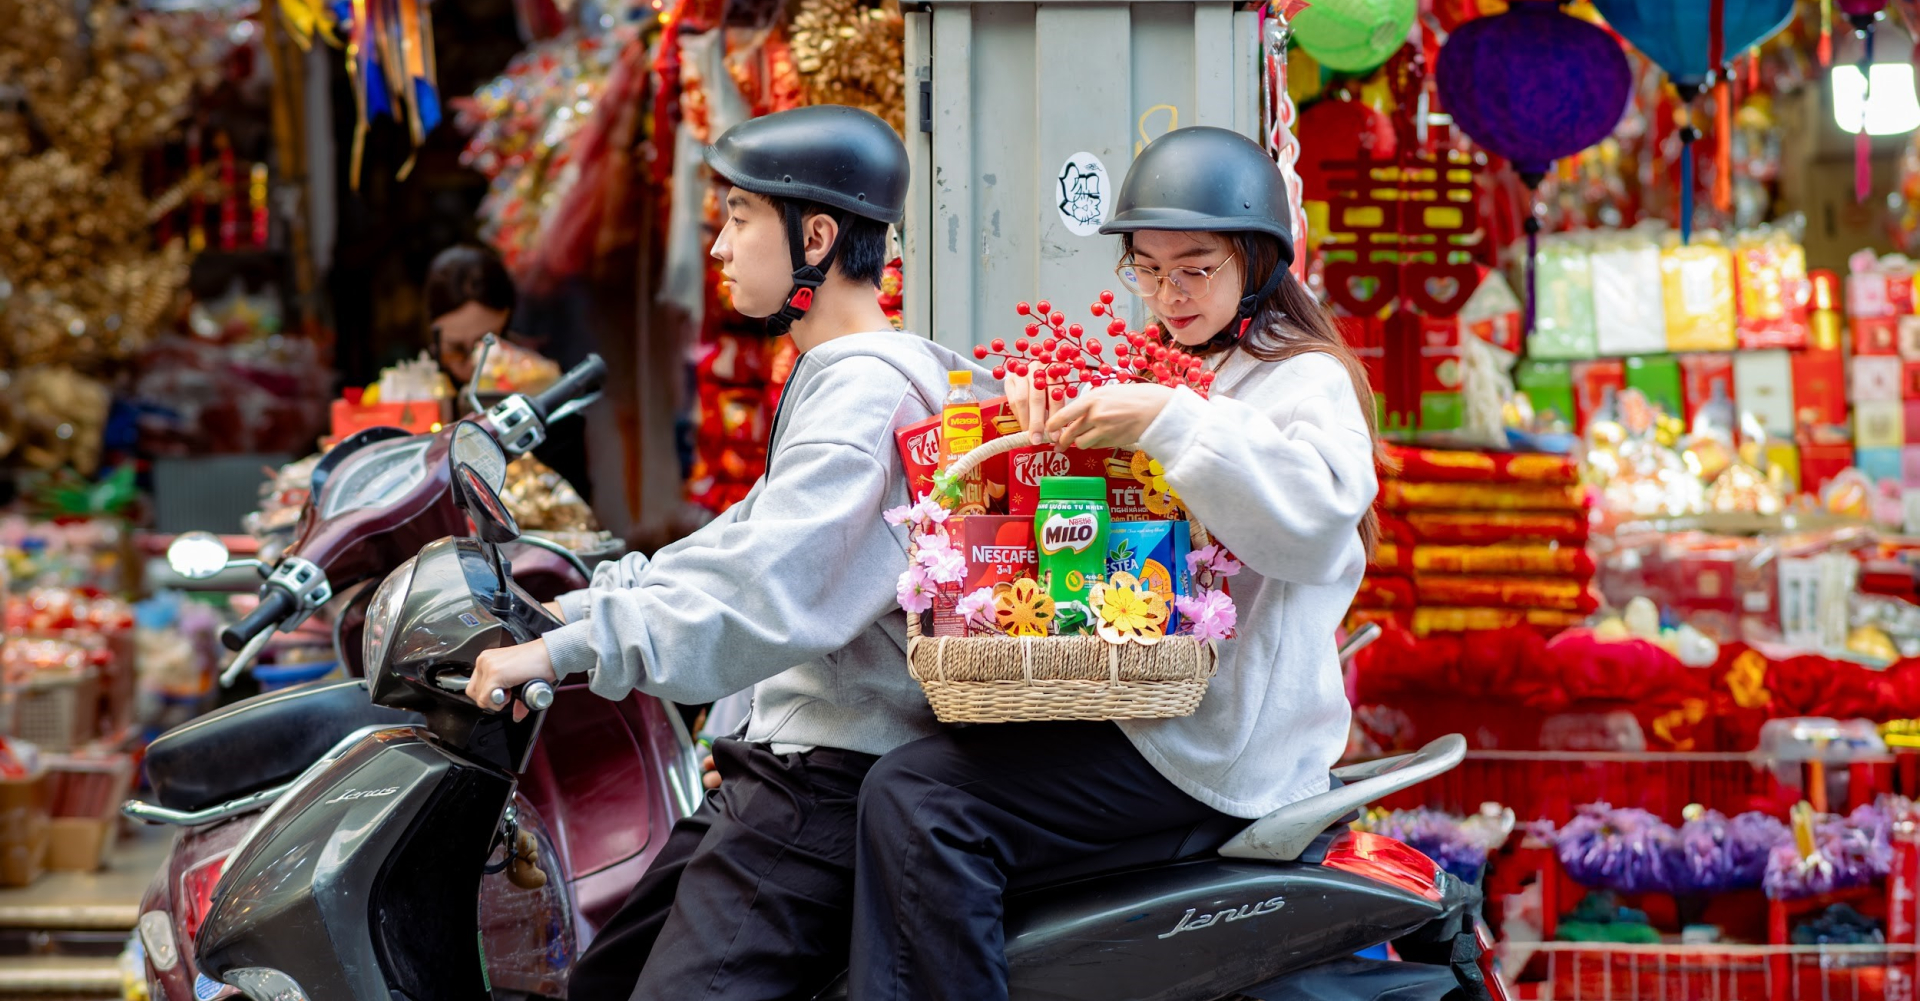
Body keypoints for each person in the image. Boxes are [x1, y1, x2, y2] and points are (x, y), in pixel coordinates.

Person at [462, 105, 987, 1001]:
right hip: (778, 765)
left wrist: (566, 648)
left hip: (822, 783)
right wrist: (581, 604)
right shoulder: (841, 379)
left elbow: (766, 588)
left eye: (740, 216)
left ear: (816, 236)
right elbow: (738, 541)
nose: (718, 247)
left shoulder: (862, 400)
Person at [845, 126, 1382, 1001]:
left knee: (921, 805)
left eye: (1195, 267)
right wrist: (1039, 421)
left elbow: (1318, 526)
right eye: (1147, 266)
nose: (1167, 292)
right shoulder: (1179, 365)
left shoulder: (1300, 380)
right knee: (912, 769)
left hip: (1215, 746)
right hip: (1142, 708)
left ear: (1258, 261)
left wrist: (1165, 420)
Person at [424, 243, 595, 501]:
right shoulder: (419, 390)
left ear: (506, 320)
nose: (473, 364)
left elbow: (572, 490)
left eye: (486, 344)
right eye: (456, 349)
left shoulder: (538, 381)